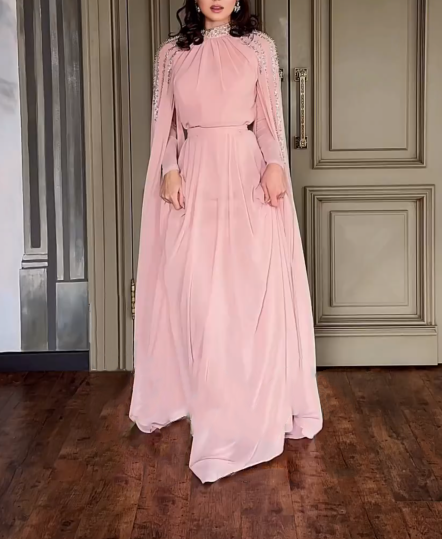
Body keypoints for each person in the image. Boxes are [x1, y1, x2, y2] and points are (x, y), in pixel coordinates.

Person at [129, 0, 323, 484]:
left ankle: (248, 411)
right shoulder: (171, 54)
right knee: (200, 299)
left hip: (246, 177)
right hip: (193, 181)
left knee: (246, 296)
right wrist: (169, 170)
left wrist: (275, 165)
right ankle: (210, 408)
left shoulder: (259, 48)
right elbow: (165, 129)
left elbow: (270, 123)